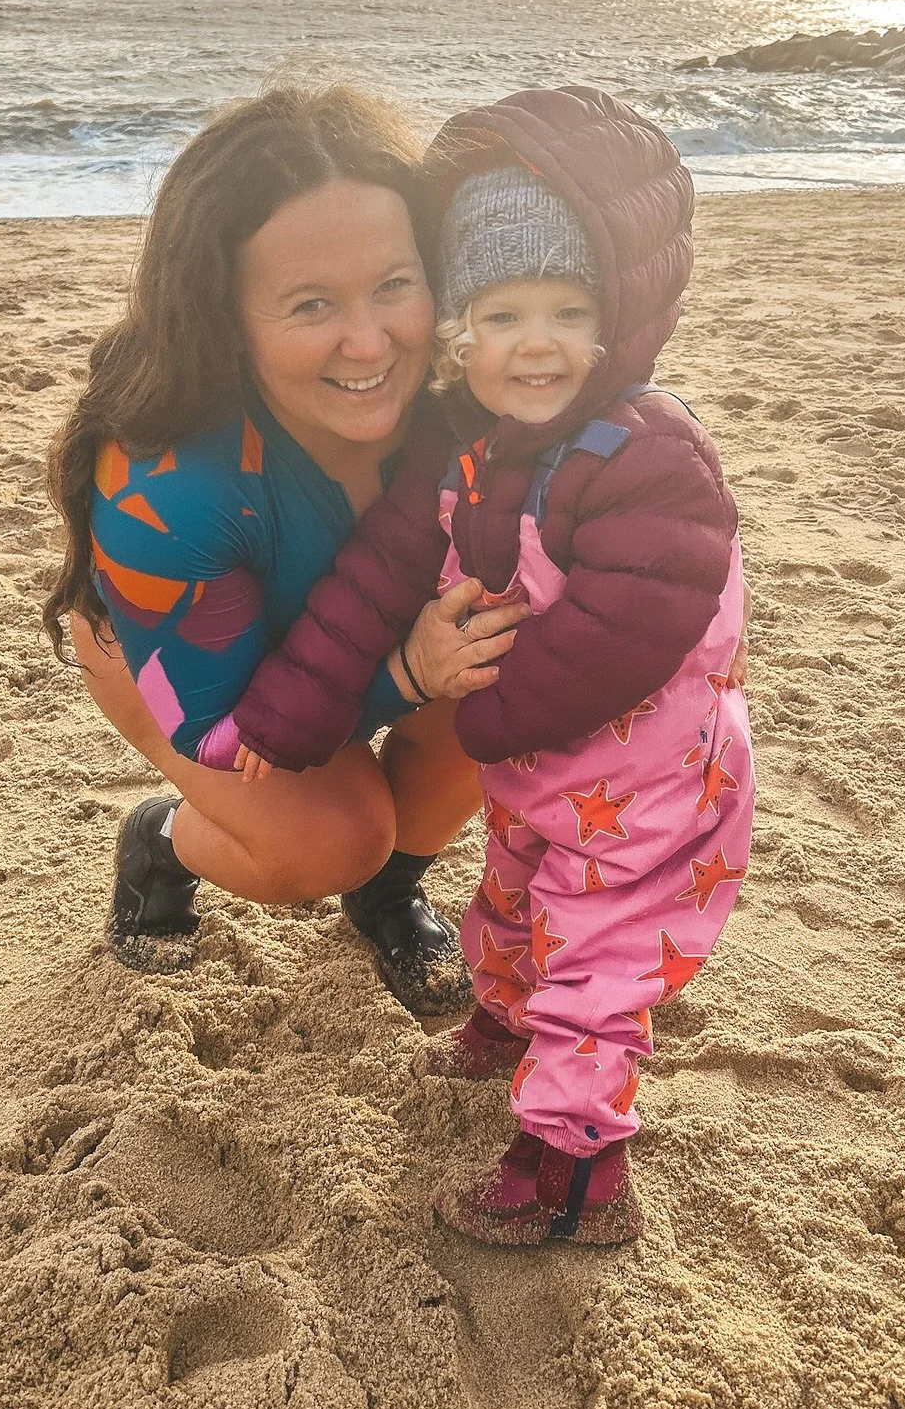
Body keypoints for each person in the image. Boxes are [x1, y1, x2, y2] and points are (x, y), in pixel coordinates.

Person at [213, 86, 755, 1247]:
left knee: (596, 958)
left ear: (611, 325)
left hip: (644, 788)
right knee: (510, 902)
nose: (538, 344)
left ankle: (575, 1167)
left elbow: (638, 614)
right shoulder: (463, 444)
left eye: (569, 311)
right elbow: (375, 576)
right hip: (539, 770)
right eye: (504, 314)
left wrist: (498, 712)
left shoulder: (645, 450)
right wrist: (295, 706)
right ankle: (503, 1022)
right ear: (462, 328)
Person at [42, 85, 528, 1014]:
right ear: (227, 317)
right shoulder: (169, 489)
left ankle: (387, 893)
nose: (369, 340)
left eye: (395, 285)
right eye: (310, 304)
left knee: (508, 680)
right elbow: (226, 731)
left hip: (367, 644)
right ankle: (162, 844)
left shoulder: (473, 390)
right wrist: (413, 672)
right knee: (334, 836)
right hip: (189, 679)